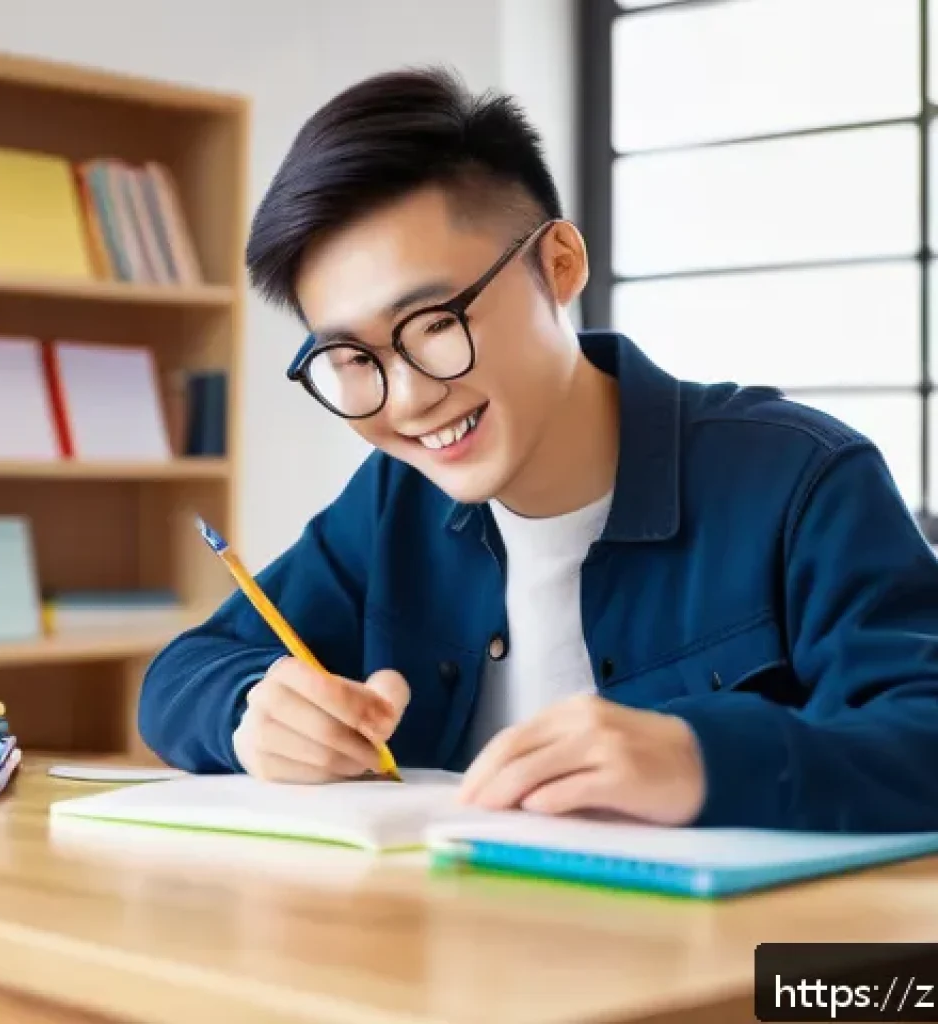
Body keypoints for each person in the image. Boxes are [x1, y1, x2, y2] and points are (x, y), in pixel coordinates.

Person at [139, 68, 938, 833]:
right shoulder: (392, 501)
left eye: (436, 325)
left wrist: (703, 761)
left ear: (559, 266)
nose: (408, 401)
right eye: (352, 358)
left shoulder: (802, 481)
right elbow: (181, 675)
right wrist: (251, 711)